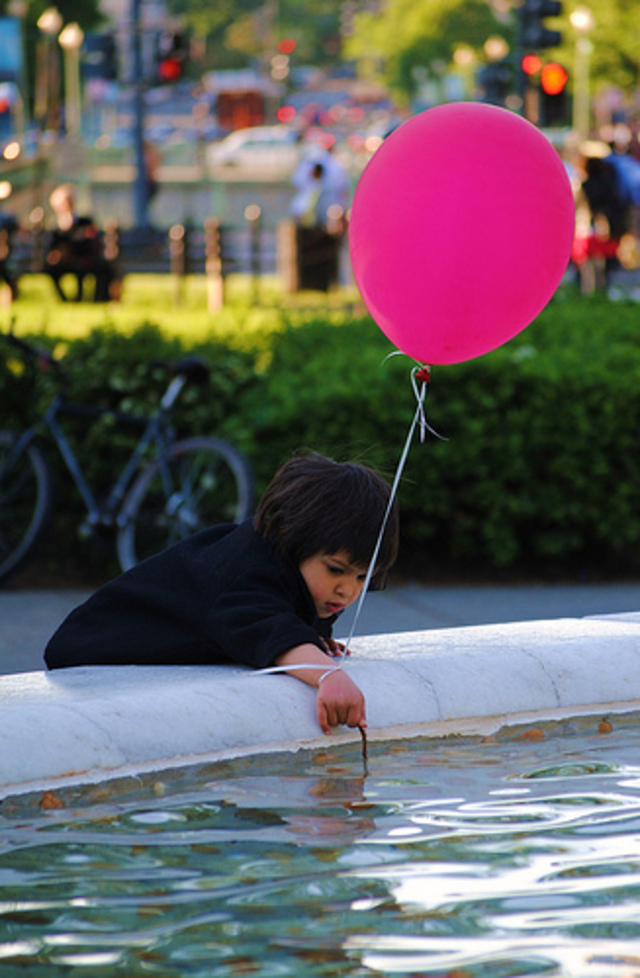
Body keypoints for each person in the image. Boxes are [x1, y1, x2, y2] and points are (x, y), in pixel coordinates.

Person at [44, 454, 399, 735]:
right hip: (91, 656)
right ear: (291, 538)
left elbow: (283, 612)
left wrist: (312, 637)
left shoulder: (291, 569)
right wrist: (327, 674)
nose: (348, 590)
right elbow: (263, 624)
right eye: (336, 570)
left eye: (362, 577)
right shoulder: (248, 569)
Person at [44, 184, 116, 302]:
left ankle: (97, 299)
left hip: (85, 259)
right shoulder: (54, 227)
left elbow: (93, 241)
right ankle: (65, 299)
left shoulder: (84, 221)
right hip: (64, 262)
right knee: (52, 269)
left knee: (102, 269)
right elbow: (51, 248)